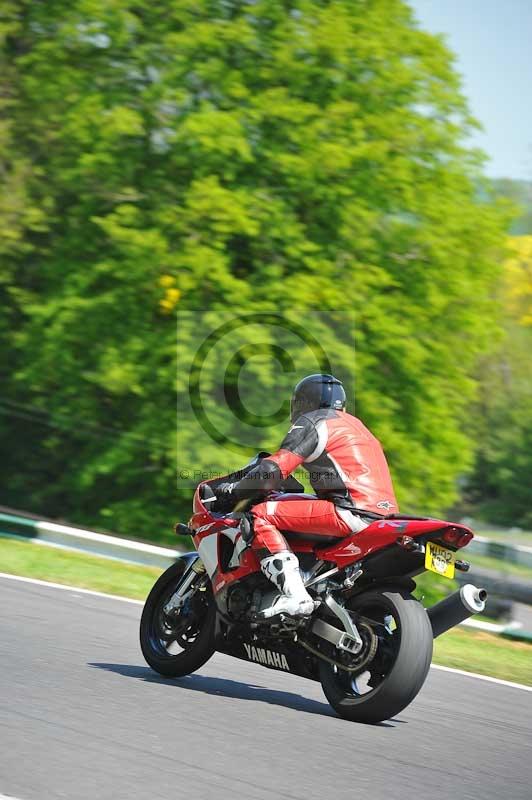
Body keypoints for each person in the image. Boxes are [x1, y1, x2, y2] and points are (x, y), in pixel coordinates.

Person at [218, 374, 398, 618]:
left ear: (303, 402)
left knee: (259, 515)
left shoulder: (315, 422)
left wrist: (234, 490)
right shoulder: (360, 428)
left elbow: (274, 469)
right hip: (383, 518)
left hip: (349, 511)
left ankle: (294, 595)